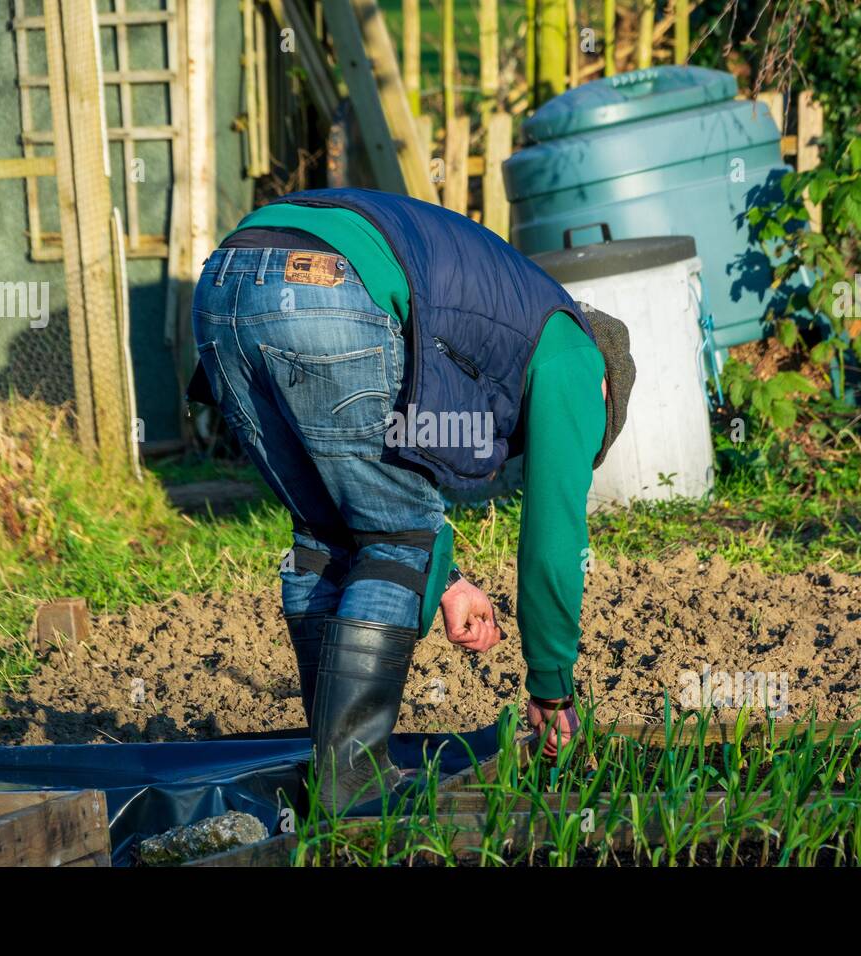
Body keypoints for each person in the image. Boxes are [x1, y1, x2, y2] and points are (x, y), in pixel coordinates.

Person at [188, 187, 634, 810]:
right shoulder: (579, 356)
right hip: (332, 287)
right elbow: (553, 543)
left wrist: (444, 578)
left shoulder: (511, 308)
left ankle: (331, 762)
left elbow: (369, 500)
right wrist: (552, 688)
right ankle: (354, 788)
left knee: (325, 538)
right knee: (398, 542)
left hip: (226, 278)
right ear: (607, 383)